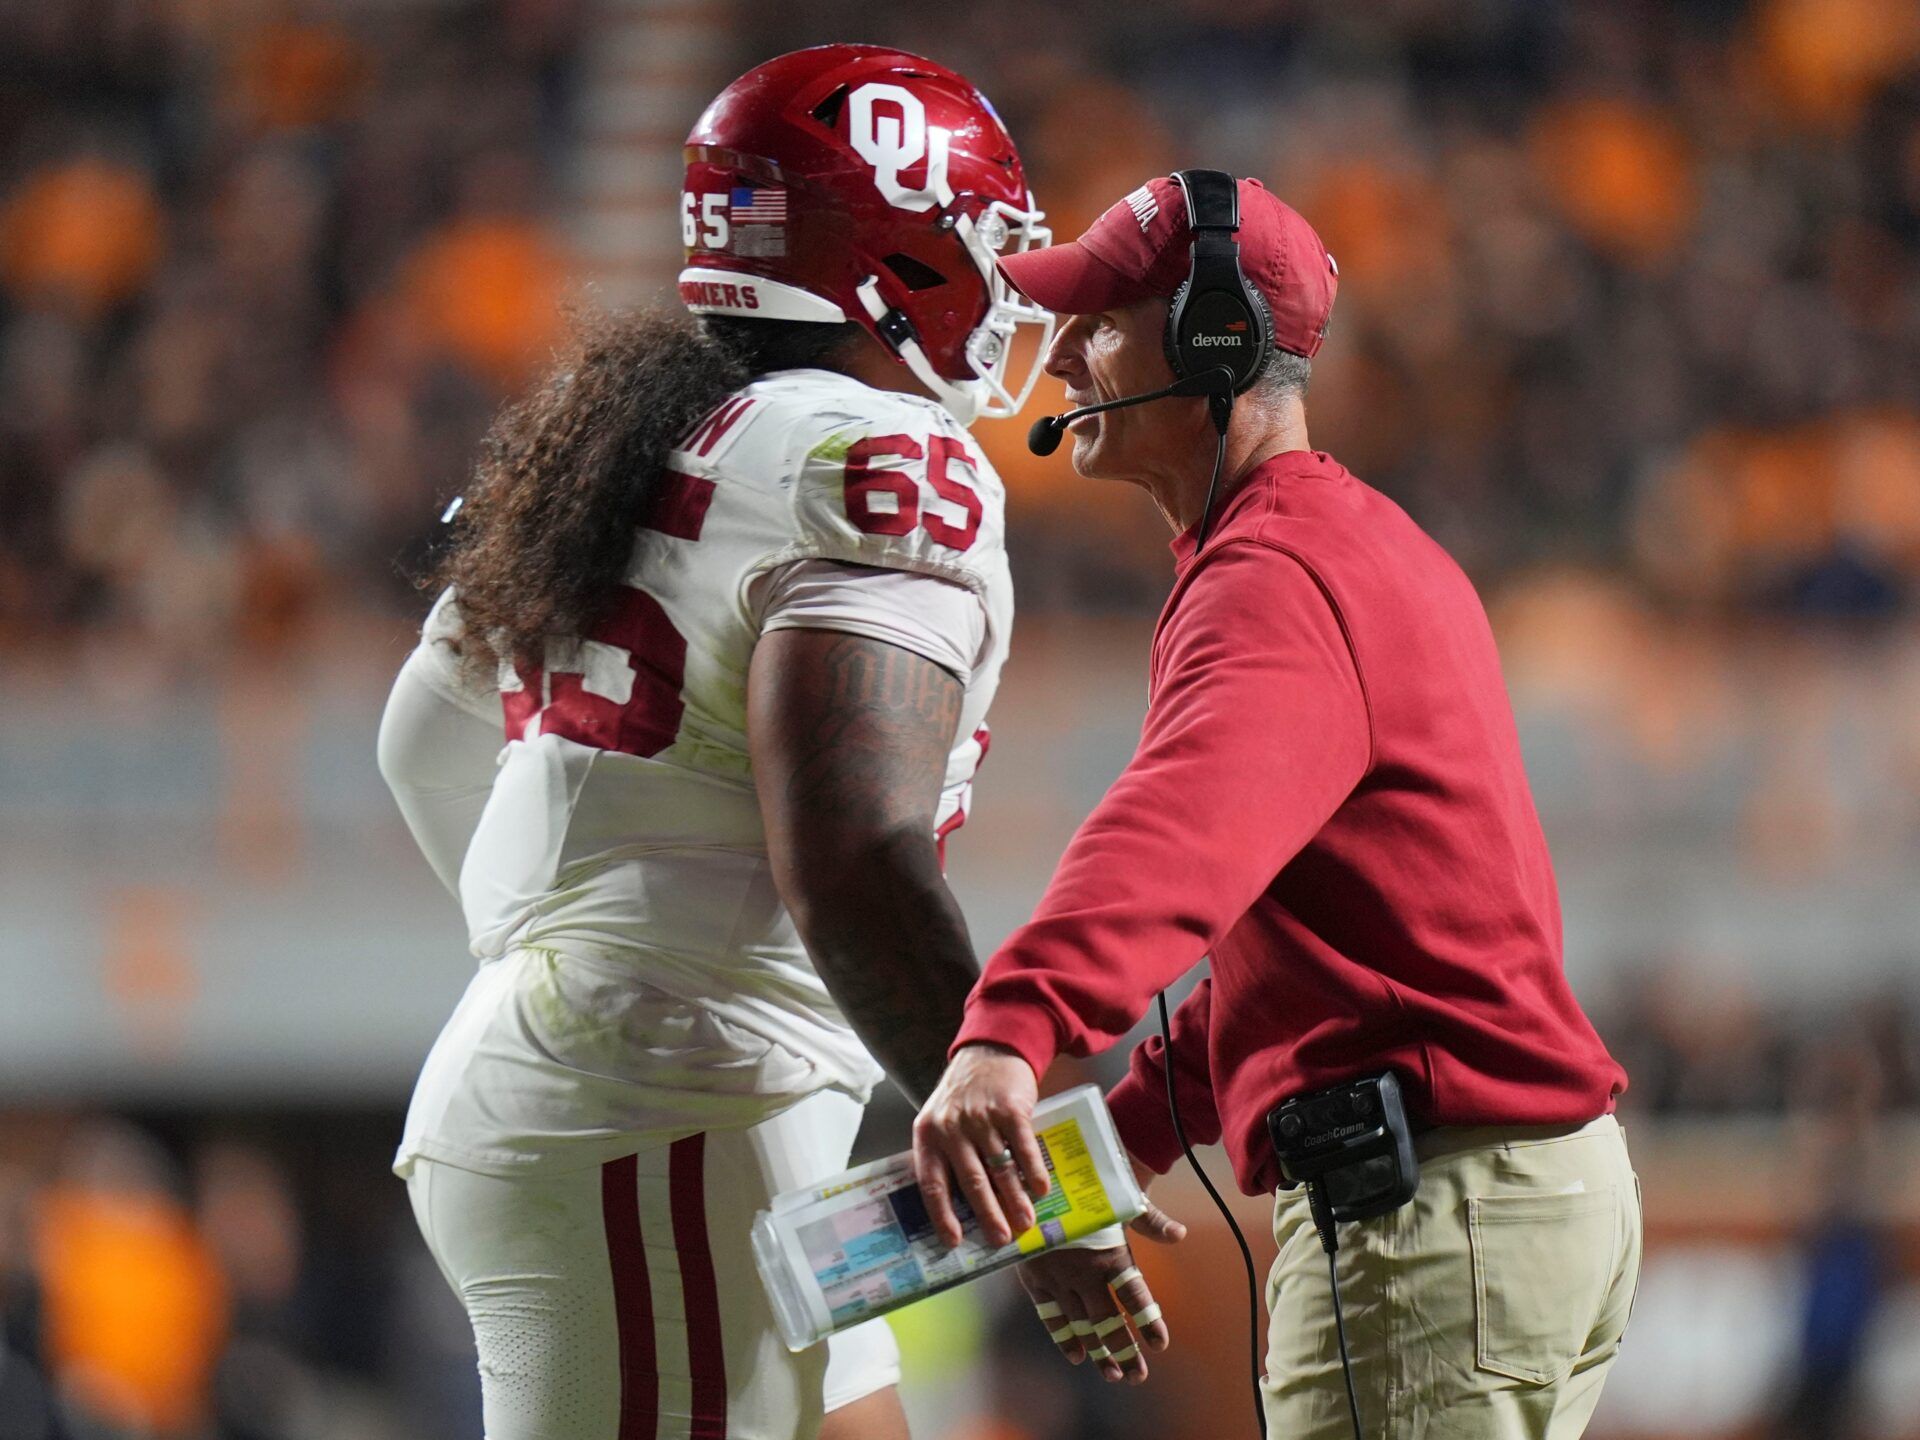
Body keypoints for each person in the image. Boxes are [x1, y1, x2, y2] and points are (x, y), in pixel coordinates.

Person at [375, 45, 1054, 1440]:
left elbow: (422, 743)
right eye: (982, 244)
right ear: (895, 259)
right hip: (666, 1108)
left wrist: (568, 955)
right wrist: (1001, 1130)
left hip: (659, 1091)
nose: (1005, 282)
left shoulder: (628, 432)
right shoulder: (874, 455)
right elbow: (860, 853)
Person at [911, 173, 1642, 1438]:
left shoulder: (1276, 575)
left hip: (1427, 1220)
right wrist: (1111, 1149)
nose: (1068, 355)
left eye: (1100, 321)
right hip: (1501, 1201)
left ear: (1213, 341)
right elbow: (1328, 963)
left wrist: (1007, 1033)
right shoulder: (1346, 542)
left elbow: (1172, 840)